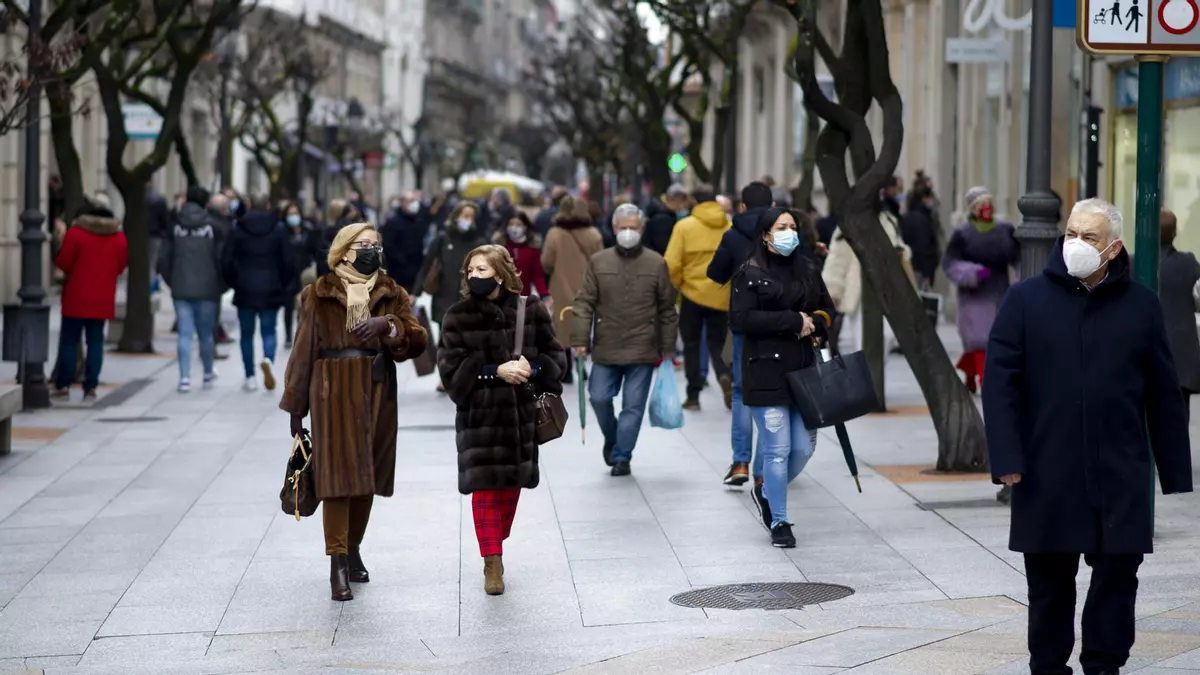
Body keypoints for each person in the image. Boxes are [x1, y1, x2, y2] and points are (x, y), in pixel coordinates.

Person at [983, 198, 1193, 675]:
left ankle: (1104, 665)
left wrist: (1174, 470)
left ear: (1113, 248)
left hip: (1119, 470)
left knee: (1117, 580)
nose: (1076, 243)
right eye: (1071, 233)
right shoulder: (1025, 300)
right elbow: (999, 386)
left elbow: (1163, 392)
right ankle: (1048, 666)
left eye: (1090, 236)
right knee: (1049, 584)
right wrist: (1007, 458)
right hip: (1047, 469)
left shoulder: (1142, 306)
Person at [280, 222, 427, 602]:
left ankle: (354, 546)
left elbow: (418, 341)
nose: (371, 250)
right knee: (337, 481)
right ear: (344, 251)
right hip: (332, 393)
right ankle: (338, 562)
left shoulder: (391, 291)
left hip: (378, 391)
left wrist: (389, 326)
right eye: (363, 244)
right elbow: (302, 350)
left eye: (376, 245)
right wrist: (296, 406)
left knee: (366, 480)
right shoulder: (318, 293)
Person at [437, 245, 567, 596]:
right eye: (470, 270)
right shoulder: (457, 316)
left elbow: (556, 360)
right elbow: (451, 372)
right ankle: (492, 562)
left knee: (508, 494)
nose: (474, 276)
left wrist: (533, 368)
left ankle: (496, 542)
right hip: (479, 417)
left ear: (500, 273)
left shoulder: (530, 309)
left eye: (481, 269)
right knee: (484, 492)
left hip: (520, 420)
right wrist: (495, 371)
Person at [731, 207, 833, 549]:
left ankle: (764, 491)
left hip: (803, 372)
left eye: (792, 226)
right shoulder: (749, 273)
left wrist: (814, 322)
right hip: (765, 371)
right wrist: (793, 321)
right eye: (780, 227)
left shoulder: (808, 268)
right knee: (777, 450)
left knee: (803, 448)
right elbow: (741, 320)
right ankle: (779, 521)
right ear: (765, 235)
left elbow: (828, 310)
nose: (789, 232)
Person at [570, 204, 678, 476]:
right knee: (598, 397)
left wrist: (668, 348)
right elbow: (584, 302)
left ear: (642, 228)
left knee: (633, 407)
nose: (628, 232)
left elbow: (667, 309)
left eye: (633, 227)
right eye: (623, 227)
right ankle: (613, 437)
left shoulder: (656, 263)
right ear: (614, 228)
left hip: (642, 348)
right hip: (606, 346)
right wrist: (580, 339)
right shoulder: (599, 261)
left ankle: (622, 456)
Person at [708, 181, 775, 486]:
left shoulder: (733, 235)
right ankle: (763, 471)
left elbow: (715, 273)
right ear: (771, 205)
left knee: (740, 391)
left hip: (743, 323)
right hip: (778, 323)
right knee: (773, 393)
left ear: (743, 206)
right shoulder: (784, 232)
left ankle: (740, 463)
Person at [943, 186, 1020, 394]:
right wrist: (972, 273)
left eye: (988, 203)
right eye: (981, 204)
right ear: (972, 208)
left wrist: (1020, 281)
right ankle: (981, 379)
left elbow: (1018, 257)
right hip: (973, 295)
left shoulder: (1005, 230)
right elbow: (950, 263)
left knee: (994, 339)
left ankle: (976, 376)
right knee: (978, 340)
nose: (986, 208)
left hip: (1000, 291)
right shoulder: (962, 233)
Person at [52, 195, 128, 400]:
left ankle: (63, 385)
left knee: (69, 341)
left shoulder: (76, 234)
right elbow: (121, 266)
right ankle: (90, 386)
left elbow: (63, 262)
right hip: (103, 297)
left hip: (76, 296)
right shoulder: (118, 237)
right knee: (95, 342)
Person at [665, 185, 733, 411]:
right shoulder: (729, 227)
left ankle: (693, 395)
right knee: (718, 342)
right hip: (722, 294)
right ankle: (724, 374)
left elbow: (672, 263)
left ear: (694, 201)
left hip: (692, 294)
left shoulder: (684, 226)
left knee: (692, 345)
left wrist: (679, 286)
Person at [222, 192, 294, 392]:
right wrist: (282, 282)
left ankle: (250, 376)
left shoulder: (238, 228)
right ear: (268, 205)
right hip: (271, 287)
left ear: (250, 205)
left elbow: (227, 260)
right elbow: (288, 260)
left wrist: (234, 282)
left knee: (246, 334)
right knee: (269, 330)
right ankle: (268, 359)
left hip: (245, 287)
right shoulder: (279, 228)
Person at [822, 201, 914, 354]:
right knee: (862, 339)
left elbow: (899, 245)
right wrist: (833, 291)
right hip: (858, 291)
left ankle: (874, 367)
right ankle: (868, 368)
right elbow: (837, 259)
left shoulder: (889, 220)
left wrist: (900, 253)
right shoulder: (848, 223)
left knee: (888, 335)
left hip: (887, 289)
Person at [159, 186, 226, 392]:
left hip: (181, 289)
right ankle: (207, 374)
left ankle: (184, 378)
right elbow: (222, 259)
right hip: (208, 289)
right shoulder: (213, 227)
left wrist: (173, 281)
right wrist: (220, 285)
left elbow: (163, 259)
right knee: (206, 334)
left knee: (184, 334)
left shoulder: (175, 226)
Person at [412, 202, 487, 373]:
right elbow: (427, 266)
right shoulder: (442, 239)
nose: (468, 220)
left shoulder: (479, 242)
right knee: (446, 340)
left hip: (469, 300)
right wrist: (415, 292)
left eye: (471, 217)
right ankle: (445, 376)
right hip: (444, 298)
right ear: (456, 217)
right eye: (465, 216)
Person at [541, 195, 604, 382]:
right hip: (587, 287)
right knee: (583, 326)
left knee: (563, 328)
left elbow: (547, 261)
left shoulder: (555, 234)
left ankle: (567, 369)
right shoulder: (593, 234)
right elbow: (602, 262)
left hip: (561, 287)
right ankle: (582, 364)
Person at [1159, 209, 1200, 417]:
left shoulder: (1132, 263)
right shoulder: (1187, 263)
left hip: (1144, 355)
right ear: (1174, 233)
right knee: (1179, 418)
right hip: (1180, 357)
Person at [282, 201, 321, 347]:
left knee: (304, 305)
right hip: (287, 274)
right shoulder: (282, 232)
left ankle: (301, 335)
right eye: (290, 214)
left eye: (295, 213)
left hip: (304, 274)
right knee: (288, 307)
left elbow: (315, 251)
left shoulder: (308, 231)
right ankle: (288, 335)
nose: (293, 216)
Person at [493, 211, 549, 302]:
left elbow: (538, 276)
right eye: (511, 224)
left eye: (518, 225)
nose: (514, 228)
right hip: (502, 297)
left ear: (525, 227)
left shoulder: (532, 249)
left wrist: (544, 294)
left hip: (524, 297)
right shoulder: (499, 248)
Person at [381, 191, 429, 293]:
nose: (415, 204)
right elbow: (388, 246)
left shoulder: (417, 221)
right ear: (403, 203)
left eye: (415, 200)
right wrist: (403, 261)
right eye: (411, 201)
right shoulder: (393, 223)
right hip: (399, 274)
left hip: (415, 274)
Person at [900, 184, 941, 290]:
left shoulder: (909, 217)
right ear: (924, 199)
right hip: (920, 270)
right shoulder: (922, 219)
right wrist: (927, 273)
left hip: (912, 266)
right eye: (930, 198)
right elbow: (923, 246)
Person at [644, 184, 690, 255]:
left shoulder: (663, 215)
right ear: (676, 199)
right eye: (683, 201)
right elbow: (663, 245)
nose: (683, 206)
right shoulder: (663, 219)